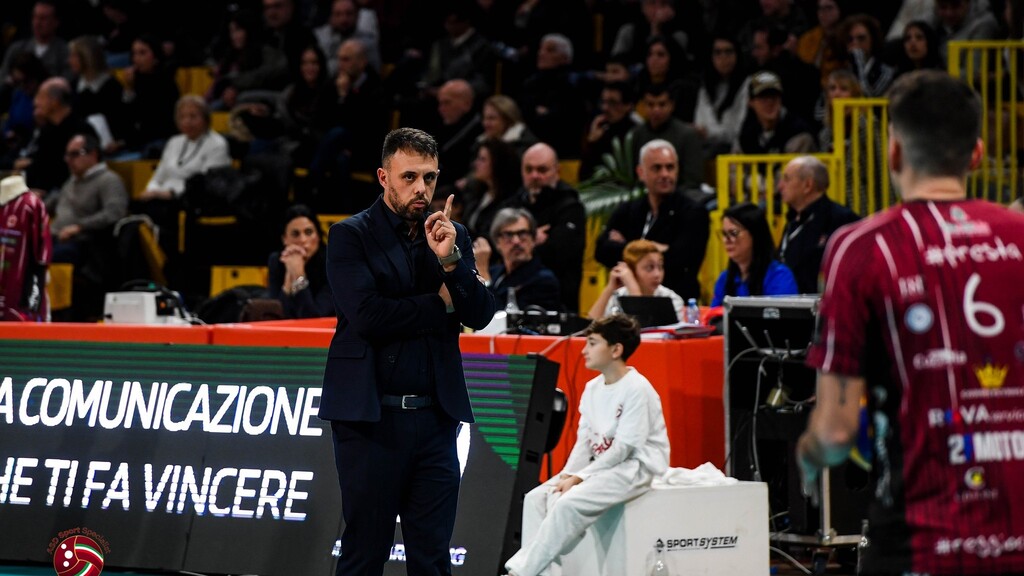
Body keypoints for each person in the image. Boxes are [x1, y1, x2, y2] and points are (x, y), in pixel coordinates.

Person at [797, 70, 1024, 576]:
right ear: (977, 154)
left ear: (894, 152)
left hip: (919, 546)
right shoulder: (1019, 236)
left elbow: (835, 431)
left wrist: (808, 455)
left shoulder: (862, 247)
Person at [320, 127, 496, 576]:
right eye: (410, 177)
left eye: (430, 178)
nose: (421, 188)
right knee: (365, 553)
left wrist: (451, 260)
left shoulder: (452, 235)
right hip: (370, 422)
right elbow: (368, 317)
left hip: (436, 421)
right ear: (384, 177)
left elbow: (480, 313)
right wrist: (439, 305)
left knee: (433, 558)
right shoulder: (350, 235)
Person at [503, 313, 670, 576]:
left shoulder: (637, 389)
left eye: (592, 343)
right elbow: (585, 443)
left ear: (616, 350)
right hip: (602, 467)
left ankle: (521, 572)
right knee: (537, 498)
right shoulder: (592, 388)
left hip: (636, 468)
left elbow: (623, 449)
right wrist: (568, 474)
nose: (584, 350)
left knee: (566, 504)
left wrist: (580, 478)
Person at [595, 139, 709, 302]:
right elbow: (601, 250)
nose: (665, 174)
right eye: (657, 168)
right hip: (626, 301)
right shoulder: (629, 210)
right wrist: (656, 248)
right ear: (641, 172)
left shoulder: (693, 212)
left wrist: (626, 247)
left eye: (670, 167)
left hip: (675, 301)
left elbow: (680, 261)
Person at [502, 142, 586, 313]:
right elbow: (493, 241)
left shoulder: (571, 206)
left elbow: (560, 252)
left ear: (557, 171)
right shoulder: (512, 204)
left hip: (559, 300)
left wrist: (524, 243)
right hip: (512, 296)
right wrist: (534, 239)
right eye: (529, 169)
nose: (534, 175)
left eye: (542, 170)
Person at [777, 156, 859, 294]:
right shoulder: (792, 222)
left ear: (808, 185)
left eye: (787, 179)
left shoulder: (842, 220)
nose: (780, 186)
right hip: (789, 303)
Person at [474, 207, 562, 312]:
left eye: (522, 233)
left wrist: (485, 277)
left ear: (533, 239)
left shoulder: (544, 280)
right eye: (508, 235)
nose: (516, 241)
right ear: (497, 242)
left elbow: (504, 319)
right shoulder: (494, 272)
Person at [710, 202, 798, 306]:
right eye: (724, 234)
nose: (726, 240)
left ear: (755, 234)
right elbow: (714, 314)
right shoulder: (724, 279)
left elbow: (781, 315)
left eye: (734, 233)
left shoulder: (779, 276)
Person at [588, 238, 684, 321]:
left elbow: (643, 328)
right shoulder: (618, 296)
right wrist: (610, 288)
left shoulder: (671, 299)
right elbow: (589, 328)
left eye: (660, 266)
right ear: (631, 270)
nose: (657, 274)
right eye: (649, 268)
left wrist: (634, 290)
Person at [266, 204, 333, 319]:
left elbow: (312, 318)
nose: (302, 240)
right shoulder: (278, 261)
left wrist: (298, 275)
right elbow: (274, 318)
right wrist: (288, 279)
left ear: (318, 236)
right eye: (295, 234)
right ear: (284, 239)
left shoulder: (333, 262)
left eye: (308, 232)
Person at [0, 174, 51, 322]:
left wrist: (36, 285)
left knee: (25, 322)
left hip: (22, 280)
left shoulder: (31, 204)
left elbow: (41, 251)